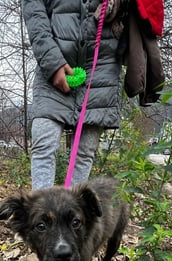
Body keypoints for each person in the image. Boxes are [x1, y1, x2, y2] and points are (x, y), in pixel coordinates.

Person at [23, 0, 124, 190]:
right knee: (43, 143)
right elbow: (34, 10)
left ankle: (75, 207)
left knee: (85, 151)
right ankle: (41, 207)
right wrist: (51, 62)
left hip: (102, 65)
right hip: (55, 60)